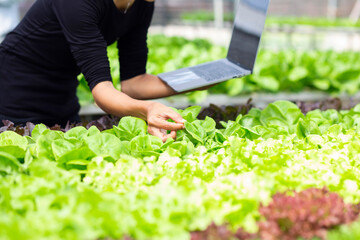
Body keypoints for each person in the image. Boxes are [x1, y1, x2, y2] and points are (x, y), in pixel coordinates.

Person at [0, 0, 187, 142]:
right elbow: (103, 90)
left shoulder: (142, 4)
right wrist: (148, 109)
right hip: (14, 92)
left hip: (63, 96)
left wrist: (198, 80)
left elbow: (134, 83)